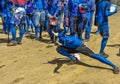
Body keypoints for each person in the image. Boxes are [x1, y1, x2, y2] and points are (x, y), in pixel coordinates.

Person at [52, 28, 119, 74]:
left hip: (81, 47)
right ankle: (72, 58)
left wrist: (57, 69)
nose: (58, 38)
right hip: (73, 48)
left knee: (95, 56)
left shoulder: (66, 38)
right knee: (59, 49)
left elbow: (70, 40)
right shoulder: (61, 39)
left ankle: (114, 66)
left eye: (58, 36)